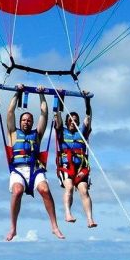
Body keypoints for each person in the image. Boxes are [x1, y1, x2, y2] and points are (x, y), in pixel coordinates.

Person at [6, 84, 65, 242]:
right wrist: (17, 93)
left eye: (29, 120)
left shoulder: (36, 134)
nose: (26, 122)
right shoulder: (13, 132)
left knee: (45, 190)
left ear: (32, 123)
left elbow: (44, 113)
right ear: (20, 122)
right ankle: (13, 227)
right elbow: (10, 111)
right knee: (17, 191)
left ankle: (54, 226)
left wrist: (41, 94)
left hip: (35, 169)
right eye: (24, 120)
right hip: (18, 170)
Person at [54, 92, 97, 228]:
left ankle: (90, 219)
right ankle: (68, 213)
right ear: (67, 122)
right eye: (70, 120)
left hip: (81, 167)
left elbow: (88, 117)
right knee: (69, 187)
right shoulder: (62, 131)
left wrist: (87, 101)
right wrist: (61, 97)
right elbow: (58, 115)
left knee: (84, 190)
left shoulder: (82, 132)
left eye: (75, 120)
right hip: (66, 165)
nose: (73, 122)